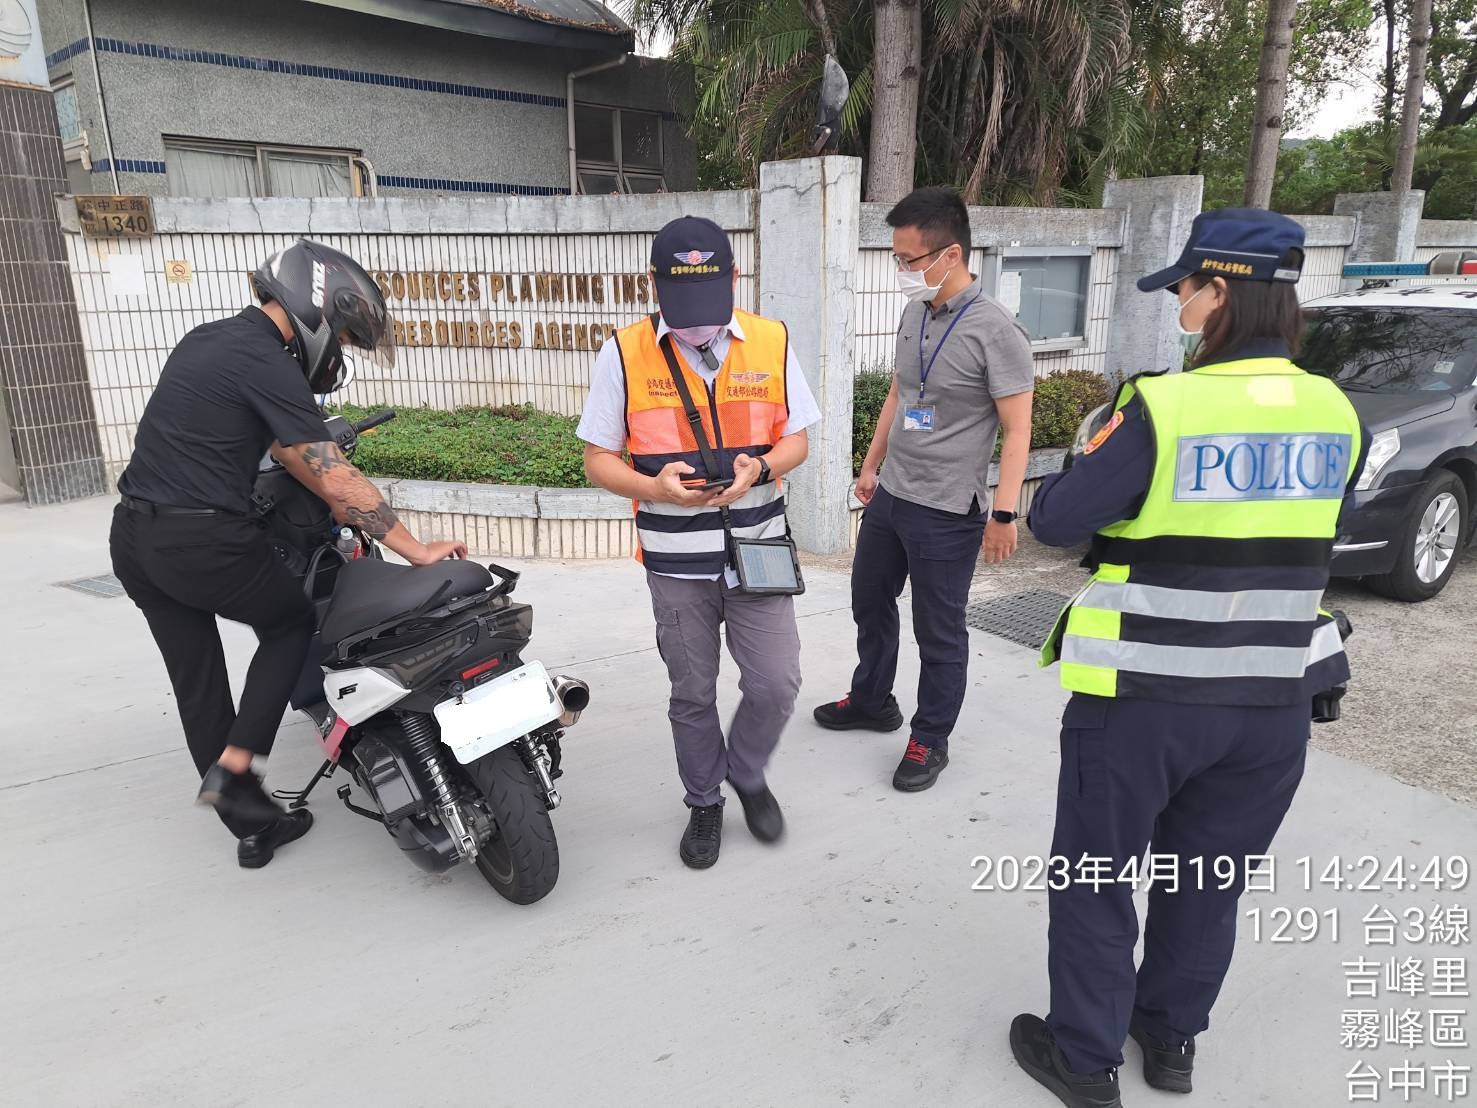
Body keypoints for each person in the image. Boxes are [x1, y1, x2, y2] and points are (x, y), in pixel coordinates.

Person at [1008, 209, 1368, 1108]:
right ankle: (1170, 1041)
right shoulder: (1336, 410)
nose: (1175, 298)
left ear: (1220, 294)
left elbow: (1054, 519)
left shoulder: (1162, 404)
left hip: (1145, 697)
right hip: (1269, 706)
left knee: (1096, 877)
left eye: (1183, 285)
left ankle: (1084, 1061)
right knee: (1206, 880)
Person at [110, 240, 466, 870]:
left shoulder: (210, 339)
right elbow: (332, 474)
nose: (345, 350)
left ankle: (248, 823)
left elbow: (279, 449)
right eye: (349, 337)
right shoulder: (268, 361)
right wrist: (415, 550)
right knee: (290, 625)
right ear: (319, 312)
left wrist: (323, 491)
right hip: (204, 542)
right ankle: (241, 760)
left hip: (135, 540)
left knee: (197, 680)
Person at [577, 215, 821, 869]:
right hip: (675, 558)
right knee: (691, 691)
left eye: (707, 305)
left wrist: (760, 469)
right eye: (679, 306)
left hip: (759, 542)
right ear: (653, 284)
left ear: (733, 280)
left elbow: (796, 437)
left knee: (776, 683)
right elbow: (596, 458)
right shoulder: (622, 352)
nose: (695, 324)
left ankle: (745, 772)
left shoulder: (770, 341)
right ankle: (704, 800)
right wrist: (655, 488)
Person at [813, 186, 1035, 791]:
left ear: (950, 254)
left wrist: (1006, 514)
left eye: (909, 261)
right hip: (894, 495)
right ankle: (871, 701)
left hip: (947, 510)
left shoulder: (997, 331)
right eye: (898, 260)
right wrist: (870, 464)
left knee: (938, 631)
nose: (902, 272)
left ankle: (929, 738)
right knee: (869, 600)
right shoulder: (916, 313)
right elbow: (900, 395)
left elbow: (1018, 430)